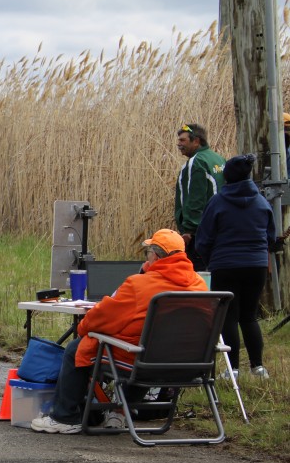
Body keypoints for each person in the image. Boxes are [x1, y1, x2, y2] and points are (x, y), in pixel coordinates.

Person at [31, 229, 207, 434]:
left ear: (155, 256)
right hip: (189, 365)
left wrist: (82, 328)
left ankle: (65, 417)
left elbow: (102, 318)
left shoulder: (139, 285)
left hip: (144, 363)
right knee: (148, 350)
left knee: (75, 349)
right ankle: (120, 412)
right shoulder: (200, 284)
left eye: (148, 253)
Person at [196, 153, 281, 380]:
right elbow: (270, 237)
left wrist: (210, 260)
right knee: (249, 316)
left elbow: (203, 238)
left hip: (225, 265)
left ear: (227, 177)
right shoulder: (261, 202)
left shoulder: (217, 202)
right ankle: (258, 368)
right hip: (256, 266)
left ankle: (232, 369)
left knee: (229, 317)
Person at [174, 122, 225, 271]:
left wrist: (188, 230)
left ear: (196, 141)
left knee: (199, 277)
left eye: (183, 140)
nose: (179, 144)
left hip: (200, 233)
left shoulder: (196, 163)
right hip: (219, 228)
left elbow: (195, 199)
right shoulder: (218, 159)